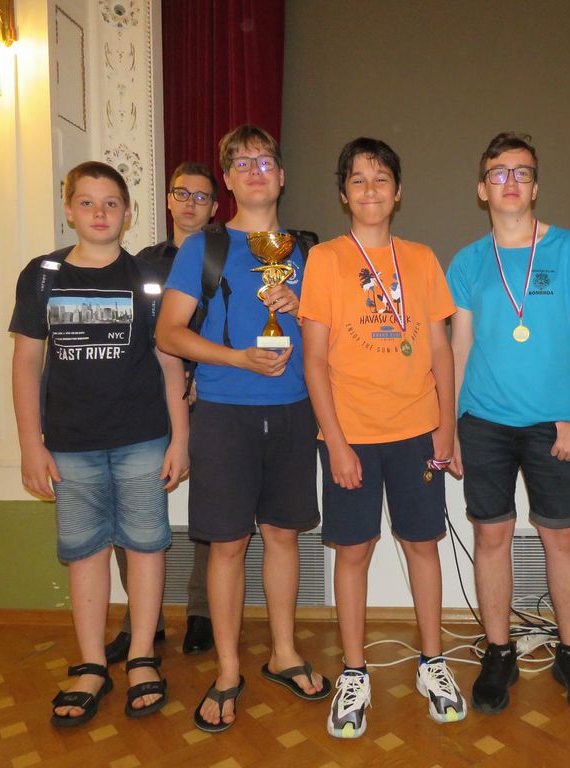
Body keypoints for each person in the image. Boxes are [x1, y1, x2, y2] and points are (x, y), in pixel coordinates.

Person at [156, 125, 331, 734]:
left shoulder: (309, 253)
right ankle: (229, 669)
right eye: (242, 162)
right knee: (228, 545)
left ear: (282, 176)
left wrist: (300, 310)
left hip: (294, 411)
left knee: (283, 536)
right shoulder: (202, 248)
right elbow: (168, 333)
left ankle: (283, 653)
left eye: (265, 161)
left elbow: (332, 338)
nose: (256, 170)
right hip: (225, 413)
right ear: (228, 180)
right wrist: (237, 359)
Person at [9, 161, 189, 727]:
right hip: (70, 444)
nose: (100, 213)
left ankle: (141, 657)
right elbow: (26, 363)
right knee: (84, 552)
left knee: (146, 547)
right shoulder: (42, 276)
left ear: (127, 213)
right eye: (86, 202)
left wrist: (180, 439)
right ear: (69, 210)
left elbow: (170, 364)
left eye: (111, 202)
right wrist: (30, 444)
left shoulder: (149, 279)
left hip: (142, 439)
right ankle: (91, 665)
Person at [300, 137, 465, 739]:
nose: (370, 189)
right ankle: (354, 672)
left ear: (398, 192)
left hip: (418, 432)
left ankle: (432, 663)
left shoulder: (421, 259)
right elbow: (314, 361)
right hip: (351, 436)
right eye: (358, 180)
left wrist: (446, 426)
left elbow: (441, 349)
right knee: (354, 552)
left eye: (381, 179)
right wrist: (336, 441)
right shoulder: (325, 261)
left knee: (423, 545)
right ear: (344, 195)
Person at [446, 132, 570, 716]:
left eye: (521, 172)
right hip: (483, 423)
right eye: (499, 173)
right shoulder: (467, 261)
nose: (510, 182)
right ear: (482, 189)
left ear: (535, 186)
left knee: (562, 538)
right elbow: (459, 347)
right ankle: (499, 652)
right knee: (491, 538)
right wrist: (450, 428)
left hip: (554, 425)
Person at [105, 162, 219, 663]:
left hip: (214, 397)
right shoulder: (139, 265)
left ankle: (203, 611)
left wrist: (197, 378)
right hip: (149, 400)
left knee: (215, 508)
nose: (191, 202)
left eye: (201, 195)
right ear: (168, 200)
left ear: (216, 206)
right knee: (131, 509)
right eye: (182, 193)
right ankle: (142, 620)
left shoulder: (226, 259)